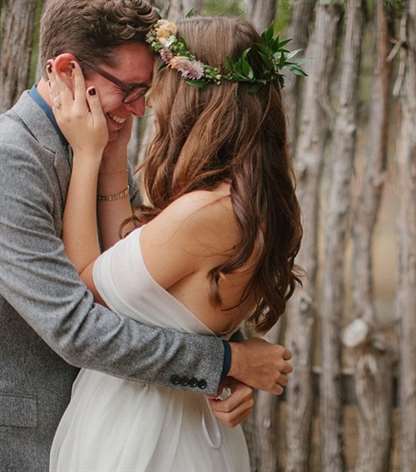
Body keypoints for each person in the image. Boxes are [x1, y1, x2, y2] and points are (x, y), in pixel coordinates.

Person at [0, 2, 294, 471]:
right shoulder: (11, 162)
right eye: (130, 89)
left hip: (126, 430)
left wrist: (222, 366)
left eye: (148, 90)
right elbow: (76, 327)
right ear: (67, 69)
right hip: (31, 438)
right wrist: (225, 361)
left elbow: (150, 288)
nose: (141, 107)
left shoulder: (102, 144)